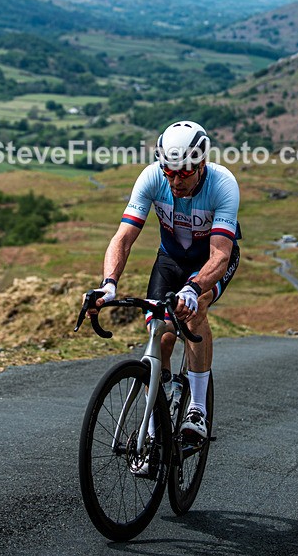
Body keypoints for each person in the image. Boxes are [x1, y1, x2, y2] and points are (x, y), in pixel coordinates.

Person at [92, 120, 241, 439]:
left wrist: (194, 287)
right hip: (170, 260)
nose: (174, 180)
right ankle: (162, 398)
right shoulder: (151, 178)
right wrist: (109, 283)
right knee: (161, 334)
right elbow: (123, 238)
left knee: (195, 311)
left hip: (209, 261)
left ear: (201, 164)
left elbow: (220, 256)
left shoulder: (222, 184)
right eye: (169, 171)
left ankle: (197, 409)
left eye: (184, 172)